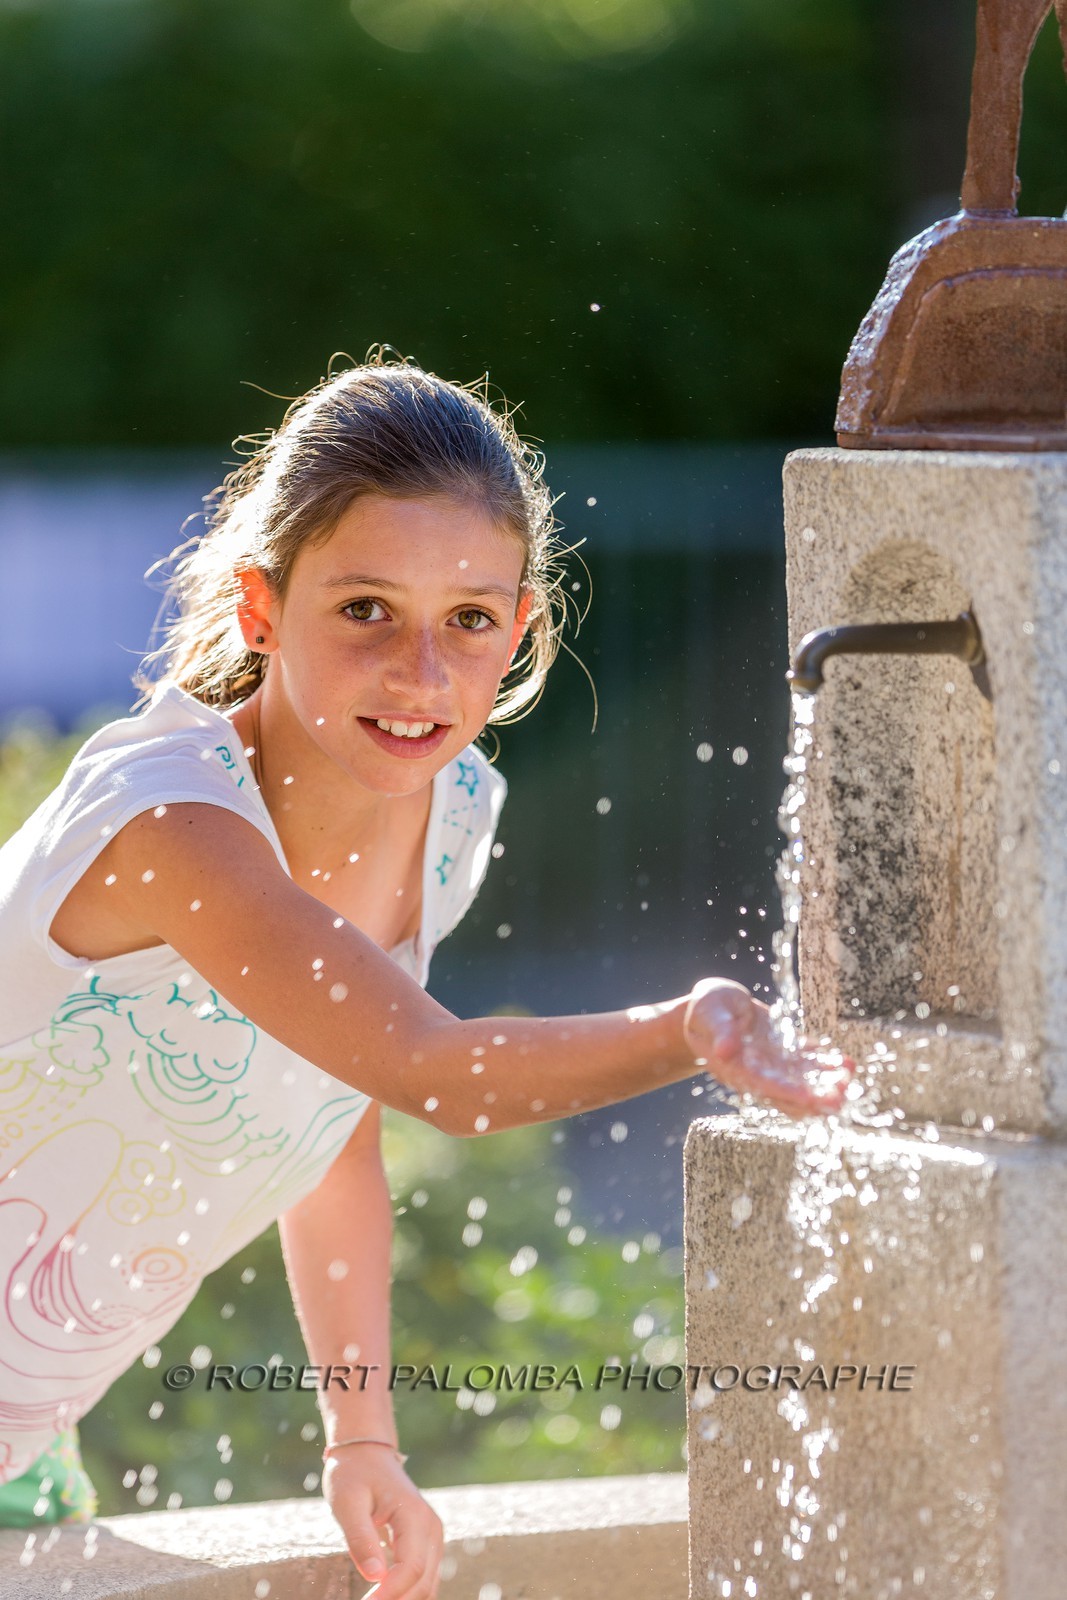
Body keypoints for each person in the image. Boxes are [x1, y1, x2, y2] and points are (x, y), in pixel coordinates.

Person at [0, 352, 851, 1595]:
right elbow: (430, 1071)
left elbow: (335, 1122)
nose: (421, 672)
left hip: (27, 1445)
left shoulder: (446, 815)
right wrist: (690, 1028)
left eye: (468, 619)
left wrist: (361, 1439)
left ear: (522, 628)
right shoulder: (173, 825)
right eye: (365, 610)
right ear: (258, 609)